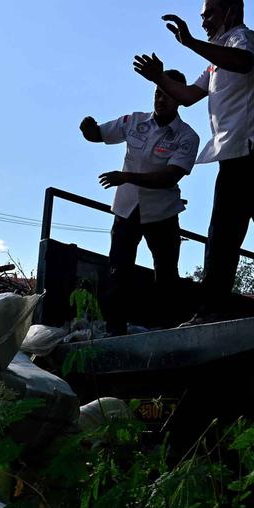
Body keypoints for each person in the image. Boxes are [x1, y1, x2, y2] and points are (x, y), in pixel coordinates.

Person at [133, 0, 254, 325]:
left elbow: (244, 62)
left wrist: (191, 43)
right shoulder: (214, 62)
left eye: (209, 14)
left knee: (224, 234)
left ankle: (211, 311)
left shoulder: (244, 39)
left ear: (231, 13)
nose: (204, 21)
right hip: (242, 156)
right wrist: (159, 77)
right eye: (202, 16)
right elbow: (188, 95)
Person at [80, 69, 199, 335]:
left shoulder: (187, 137)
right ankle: (114, 330)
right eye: (158, 93)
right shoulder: (133, 121)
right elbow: (98, 134)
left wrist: (126, 176)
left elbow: (169, 177)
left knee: (166, 275)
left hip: (163, 215)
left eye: (168, 94)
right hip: (126, 210)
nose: (161, 99)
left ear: (180, 98)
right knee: (117, 271)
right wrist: (87, 128)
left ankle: (165, 331)